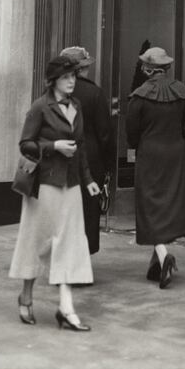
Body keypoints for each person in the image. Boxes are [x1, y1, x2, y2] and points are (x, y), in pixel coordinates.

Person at [9, 56, 100, 332]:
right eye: (66, 77)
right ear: (54, 81)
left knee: (71, 244)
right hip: (45, 184)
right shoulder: (40, 107)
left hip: (70, 184)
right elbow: (26, 144)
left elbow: (81, 146)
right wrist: (54, 146)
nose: (72, 81)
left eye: (74, 76)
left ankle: (66, 308)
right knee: (38, 242)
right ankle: (26, 294)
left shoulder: (77, 106)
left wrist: (88, 180)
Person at [125, 46, 185, 289]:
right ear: (166, 68)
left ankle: (163, 256)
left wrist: (140, 145)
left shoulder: (140, 95)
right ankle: (156, 263)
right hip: (175, 152)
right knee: (169, 202)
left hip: (150, 153)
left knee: (149, 203)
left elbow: (132, 133)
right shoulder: (182, 93)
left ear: (147, 69)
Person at [58, 46, 114, 255]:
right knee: (88, 211)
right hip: (90, 160)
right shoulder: (94, 93)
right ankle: (81, 263)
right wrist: (109, 165)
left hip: (59, 158)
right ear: (80, 69)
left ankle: (62, 262)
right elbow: (105, 133)